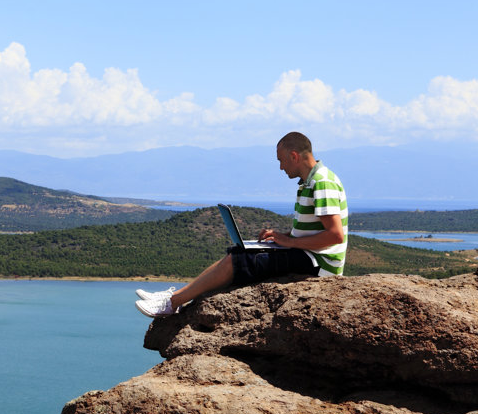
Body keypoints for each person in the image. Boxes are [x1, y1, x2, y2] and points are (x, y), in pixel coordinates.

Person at [135, 131, 348, 318]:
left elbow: (335, 236)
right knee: (238, 251)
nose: (281, 167)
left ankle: (171, 304)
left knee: (240, 261)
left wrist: (287, 241)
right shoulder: (310, 182)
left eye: (281, 160)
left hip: (319, 264)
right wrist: (282, 236)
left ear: (294, 156)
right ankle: (176, 295)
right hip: (309, 256)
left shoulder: (322, 183)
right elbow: (316, 230)